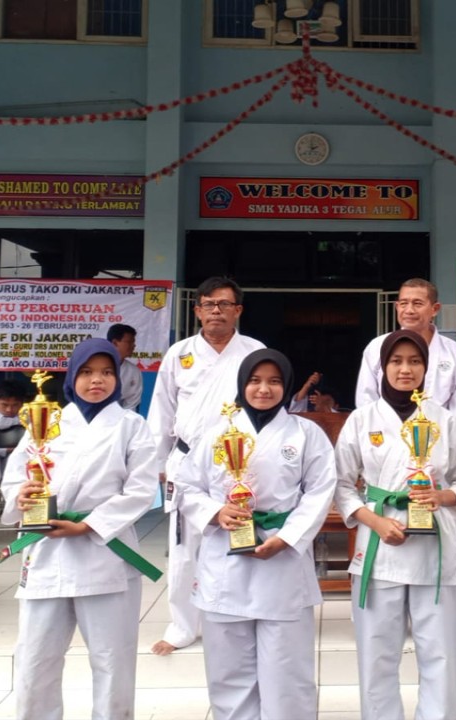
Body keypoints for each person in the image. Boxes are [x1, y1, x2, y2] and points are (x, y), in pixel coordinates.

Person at [0, 339, 159, 720]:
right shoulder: (47, 420)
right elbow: (15, 479)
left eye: (106, 372)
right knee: (35, 657)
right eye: (87, 372)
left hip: (104, 551)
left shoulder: (131, 426)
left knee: (112, 659)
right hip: (48, 549)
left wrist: (88, 524)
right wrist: (21, 496)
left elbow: (141, 490)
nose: (97, 381)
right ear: (72, 376)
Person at [177, 349, 336, 720]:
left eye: (274, 381)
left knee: (288, 672)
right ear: (242, 384)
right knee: (229, 673)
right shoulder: (217, 431)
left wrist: (290, 536)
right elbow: (186, 486)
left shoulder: (305, 433)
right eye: (255, 380)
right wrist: (216, 511)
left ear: (287, 385)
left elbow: (320, 490)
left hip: (282, 559)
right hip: (224, 559)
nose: (264, 389)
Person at [334, 330, 456, 720]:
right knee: (377, 653)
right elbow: (343, 484)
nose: (405, 369)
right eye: (396, 361)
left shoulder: (444, 420)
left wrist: (442, 497)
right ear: (383, 367)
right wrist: (375, 521)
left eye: (414, 361)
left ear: (426, 368)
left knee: (442, 653)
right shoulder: (362, 420)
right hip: (381, 546)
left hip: (436, 548)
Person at [147, 276, 265, 655]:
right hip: (187, 458)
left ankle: (241, 614)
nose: (216, 311)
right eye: (209, 304)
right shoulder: (179, 353)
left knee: (241, 539)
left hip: (239, 461)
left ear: (238, 310)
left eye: (224, 304)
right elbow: (162, 410)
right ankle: (183, 625)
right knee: (184, 548)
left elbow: (266, 405)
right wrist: (159, 460)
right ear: (197, 310)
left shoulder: (253, 351)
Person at [356, 278, 456, 433]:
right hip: (388, 437)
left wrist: (455, 438)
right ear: (397, 306)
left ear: (435, 309)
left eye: (417, 303)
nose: (409, 310)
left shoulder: (453, 351)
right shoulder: (377, 347)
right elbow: (366, 398)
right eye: (403, 303)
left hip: (439, 437)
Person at [107, 323, 144, 412]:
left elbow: (131, 405)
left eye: (134, 342)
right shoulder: (94, 365)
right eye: (129, 342)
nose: (133, 345)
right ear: (115, 343)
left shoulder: (134, 372)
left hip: (118, 420)